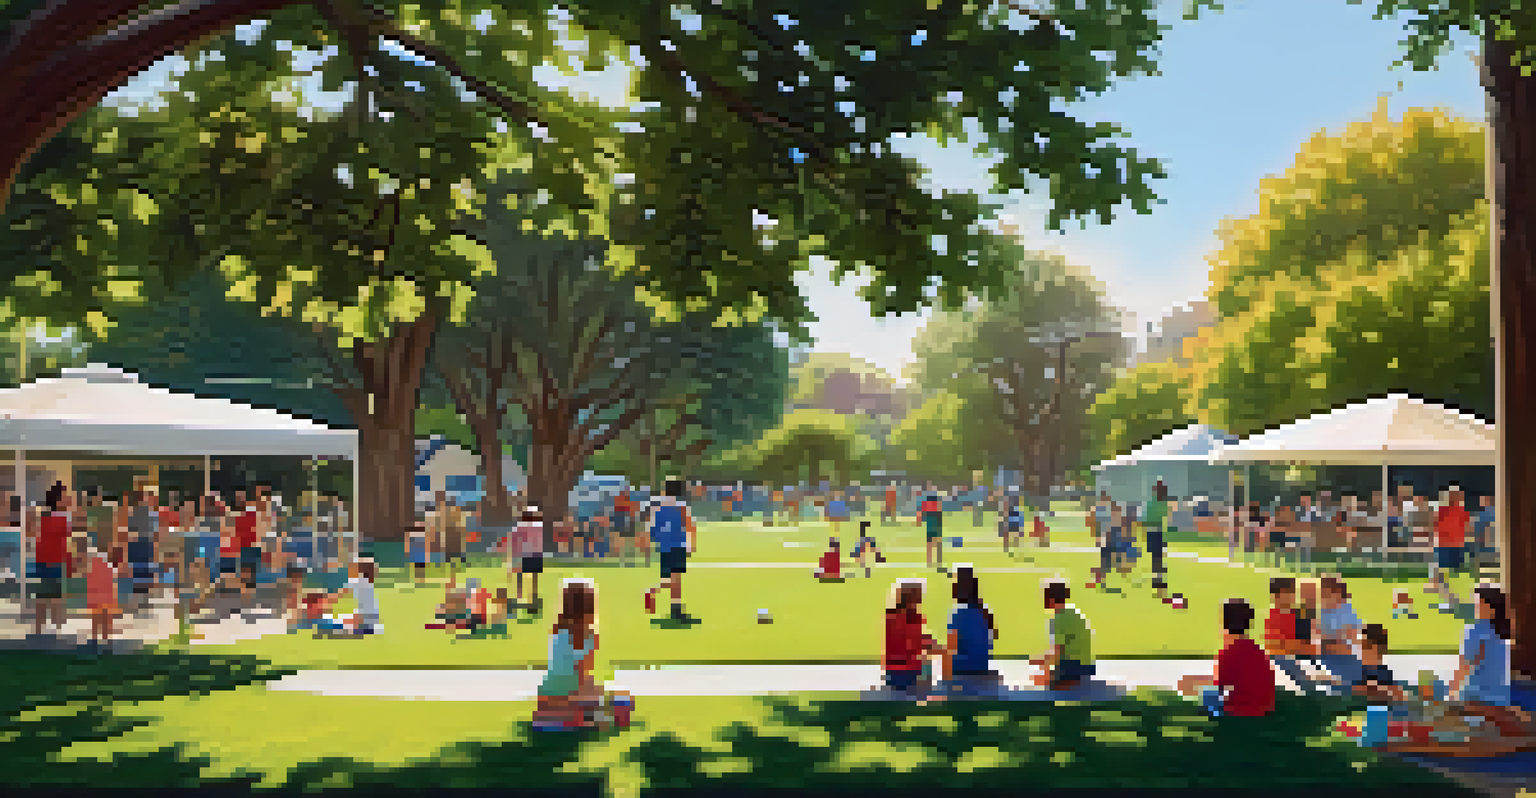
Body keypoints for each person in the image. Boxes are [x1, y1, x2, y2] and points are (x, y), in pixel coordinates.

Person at [535, 579, 628, 730]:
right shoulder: (589, 635)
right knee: (619, 699)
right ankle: (583, 719)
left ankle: (561, 717)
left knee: (600, 694)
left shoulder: (557, 631)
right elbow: (581, 677)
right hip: (570, 699)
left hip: (547, 695)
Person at [1177, 598, 1277, 717]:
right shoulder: (1258, 650)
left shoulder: (1228, 652)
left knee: (1205, 694)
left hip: (1241, 712)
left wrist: (1194, 682)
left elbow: (1220, 685)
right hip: (1264, 708)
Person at [939, 565, 1001, 694]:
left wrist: (944, 686)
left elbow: (950, 652)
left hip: (964, 671)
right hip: (982, 668)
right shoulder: (984, 611)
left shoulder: (957, 614)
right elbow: (994, 635)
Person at [643, 478, 698, 621]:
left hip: (664, 546)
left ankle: (655, 592)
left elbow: (651, 526)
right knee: (676, 579)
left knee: (670, 578)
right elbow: (691, 525)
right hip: (677, 545)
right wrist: (692, 544)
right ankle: (675, 609)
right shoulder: (681, 506)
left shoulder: (658, 506)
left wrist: (650, 542)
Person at [1030, 580, 1095, 690]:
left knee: (1036, 679)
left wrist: (1047, 674)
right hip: (1088, 667)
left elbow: (1057, 652)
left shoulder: (1058, 619)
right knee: (1042, 671)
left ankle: (1064, 684)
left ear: (1050, 600)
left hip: (1073, 669)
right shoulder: (1075, 612)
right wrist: (1043, 660)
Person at [883, 578, 942, 698]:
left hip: (891, 673)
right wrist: (942, 649)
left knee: (926, 657)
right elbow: (918, 645)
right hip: (908, 674)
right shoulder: (912, 617)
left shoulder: (890, 615)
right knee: (927, 659)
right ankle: (926, 693)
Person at [1263, 577, 1322, 694]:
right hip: (1283, 657)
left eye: (1292, 592)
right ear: (1275, 596)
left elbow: (1312, 635)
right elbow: (1280, 645)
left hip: (1301, 656)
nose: (1291, 596)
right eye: (1287, 593)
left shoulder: (1300, 613)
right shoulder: (1273, 617)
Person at [31, 482, 72, 637]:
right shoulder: (62, 519)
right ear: (58, 500)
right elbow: (65, 542)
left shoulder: (42, 516)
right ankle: (57, 632)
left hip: (42, 561)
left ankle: (39, 630)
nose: (68, 499)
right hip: (54, 561)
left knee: (42, 597)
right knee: (55, 598)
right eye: (65, 496)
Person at [1316, 576, 1363, 695]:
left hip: (1345, 654)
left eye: (1325, 594)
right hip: (1329, 654)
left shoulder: (1346, 610)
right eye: (1321, 594)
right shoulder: (1324, 611)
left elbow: (1350, 635)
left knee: (1349, 678)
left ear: (1337, 594)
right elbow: (1320, 634)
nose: (1322, 598)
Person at [1428, 486, 1471, 611]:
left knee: (1456, 576)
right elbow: (1435, 526)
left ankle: (1455, 600)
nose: (1457, 497)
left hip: (1456, 546)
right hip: (1444, 547)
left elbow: (1466, 528)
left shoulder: (1462, 511)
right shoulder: (1442, 510)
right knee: (1444, 575)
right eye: (1454, 495)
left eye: (1458, 495)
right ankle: (1447, 601)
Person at [315, 557, 381, 636]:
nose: (350, 568)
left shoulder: (358, 582)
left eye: (353, 566)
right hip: (370, 621)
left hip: (362, 623)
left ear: (359, 569)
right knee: (334, 619)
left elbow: (337, 595)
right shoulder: (368, 583)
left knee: (325, 622)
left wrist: (321, 601)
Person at [1354, 624, 1407, 704]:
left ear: (1377, 648)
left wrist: (1381, 689)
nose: (1361, 650)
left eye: (1365, 646)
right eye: (1360, 646)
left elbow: (1399, 695)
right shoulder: (1357, 671)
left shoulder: (1384, 672)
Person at [508, 507, 546, 613]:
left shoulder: (520, 527)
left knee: (520, 575)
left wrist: (514, 555)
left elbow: (515, 542)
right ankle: (534, 597)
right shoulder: (539, 526)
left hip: (524, 554)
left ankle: (519, 596)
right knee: (534, 577)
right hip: (536, 555)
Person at [85, 544, 120, 645]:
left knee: (97, 617)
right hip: (104, 594)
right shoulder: (108, 565)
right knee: (105, 617)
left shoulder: (95, 562)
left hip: (98, 594)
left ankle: (96, 638)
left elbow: (90, 578)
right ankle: (105, 638)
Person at [1144, 483, 1171, 592]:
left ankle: (1158, 579)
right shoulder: (1160, 504)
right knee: (1157, 558)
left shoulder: (1151, 503)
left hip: (1152, 532)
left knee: (1156, 558)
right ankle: (1157, 581)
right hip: (1156, 533)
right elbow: (1164, 514)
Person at [917, 492, 945, 572]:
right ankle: (938, 560)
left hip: (931, 523)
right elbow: (939, 512)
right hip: (936, 523)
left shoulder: (927, 505)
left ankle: (929, 560)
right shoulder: (936, 505)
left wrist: (919, 520)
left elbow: (921, 513)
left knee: (930, 542)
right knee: (937, 542)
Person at [613, 489, 638, 565]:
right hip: (623, 518)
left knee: (624, 537)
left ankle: (623, 554)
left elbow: (633, 510)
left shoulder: (621, 500)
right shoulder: (622, 500)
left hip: (624, 518)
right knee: (621, 537)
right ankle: (622, 554)